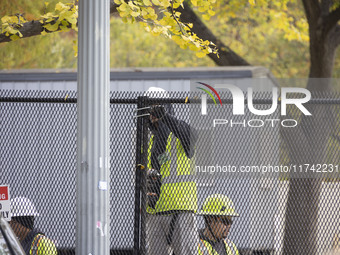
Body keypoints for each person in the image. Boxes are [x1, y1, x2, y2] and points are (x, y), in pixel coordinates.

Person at [145, 87, 198, 255]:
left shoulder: (178, 133)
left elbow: (192, 136)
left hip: (180, 209)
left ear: (165, 107)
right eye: (150, 109)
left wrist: (165, 117)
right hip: (155, 211)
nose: (153, 114)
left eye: (156, 108)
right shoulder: (149, 141)